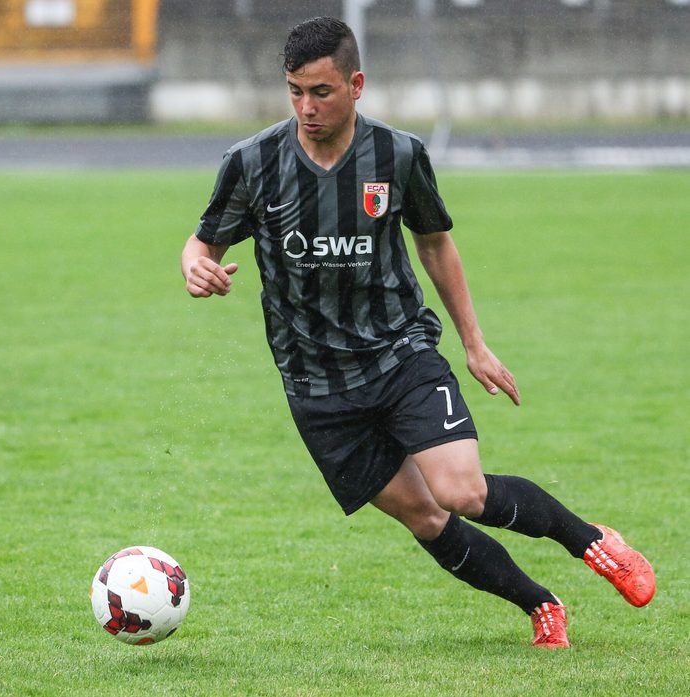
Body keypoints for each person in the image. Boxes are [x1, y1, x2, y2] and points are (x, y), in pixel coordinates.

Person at [180, 16, 655, 648]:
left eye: (321, 92)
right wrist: (195, 266)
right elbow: (202, 241)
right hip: (315, 386)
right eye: (294, 90)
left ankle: (592, 541)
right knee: (425, 517)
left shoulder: (398, 155)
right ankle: (540, 605)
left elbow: (435, 244)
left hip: (400, 353)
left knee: (461, 491)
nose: (306, 107)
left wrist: (474, 343)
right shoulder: (253, 161)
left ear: (357, 85)